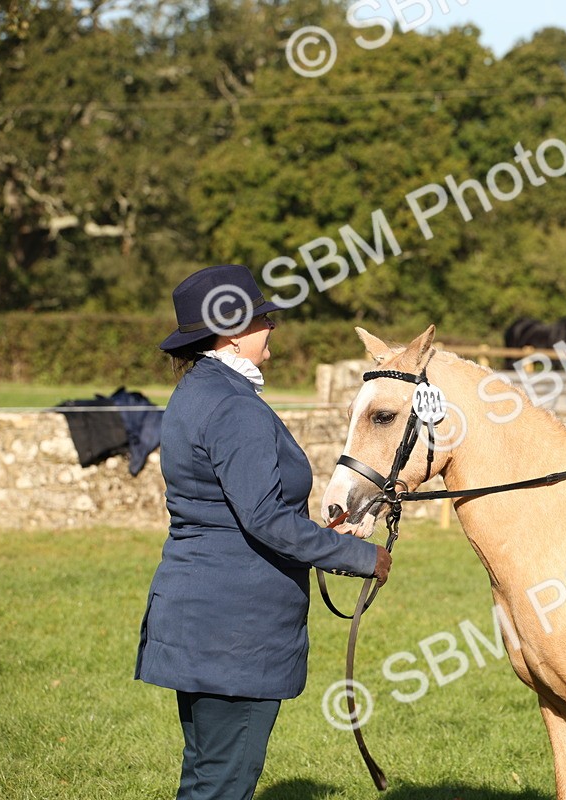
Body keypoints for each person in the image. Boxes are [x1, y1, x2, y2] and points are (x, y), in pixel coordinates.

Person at [135, 264, 392, 800]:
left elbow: (238, 507)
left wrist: (315, 528)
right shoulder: (233, 405)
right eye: (262, 317)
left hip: (200, 613)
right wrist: (358, 557)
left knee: (207, 775)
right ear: (231, 330)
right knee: (224, 784)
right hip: (234, 628)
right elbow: (263, 520)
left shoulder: (198, 391)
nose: (272, 324)